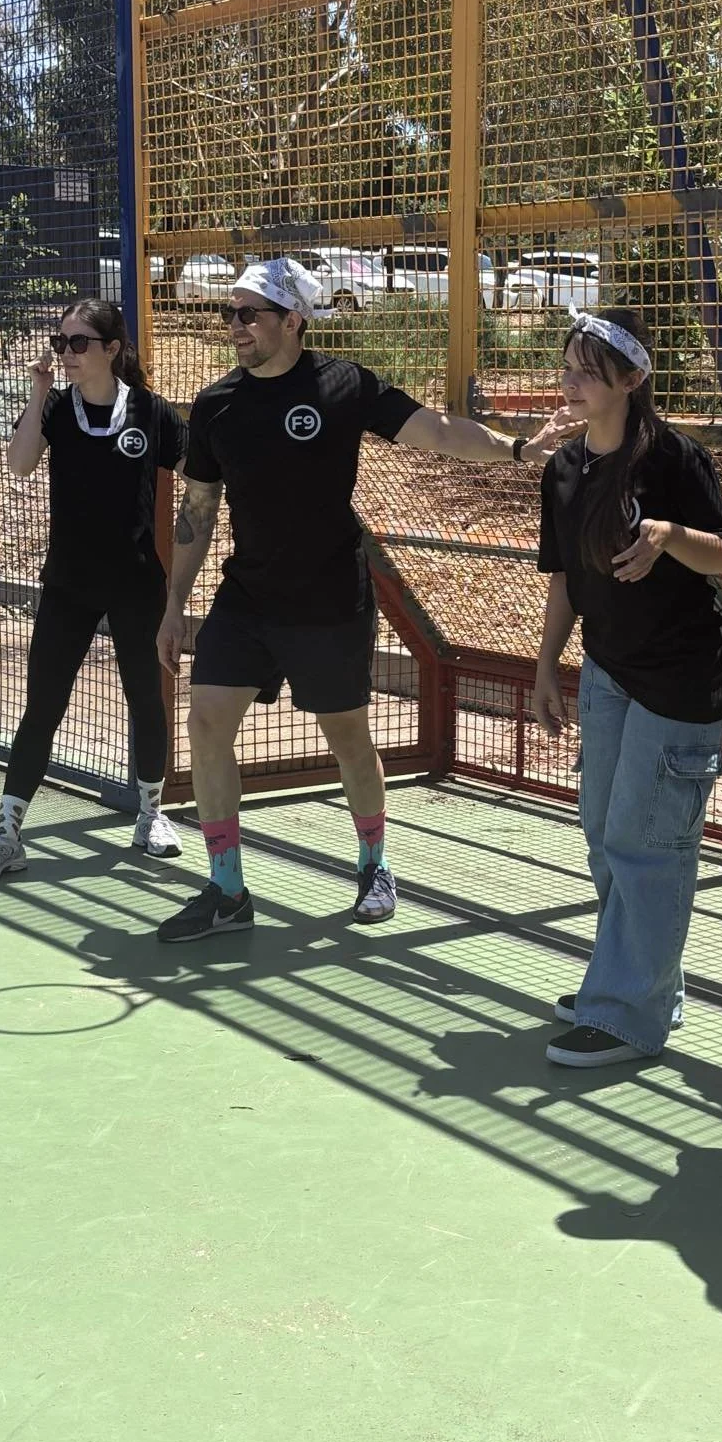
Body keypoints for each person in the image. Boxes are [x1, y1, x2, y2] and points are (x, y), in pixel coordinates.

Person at [154, 255, 575, 942]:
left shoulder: (343, 384)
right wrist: (175, 601)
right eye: (229, 313)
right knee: (205, 724)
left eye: (248, 314)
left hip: (329, 599)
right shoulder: (216, 406)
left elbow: (439, 431)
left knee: (348, 738)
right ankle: (227, 891)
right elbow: (197, 512)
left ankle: (375, 864)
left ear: (292, 321)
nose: (234, 326)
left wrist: (522, 451)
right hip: (247, 599)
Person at [532, 308, 722, 1067]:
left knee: (645, 845)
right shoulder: (564, 468)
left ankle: (626, 1014)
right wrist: (546, 664)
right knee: (603, 835)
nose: (572, 381)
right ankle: (644, 983)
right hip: (606, 672)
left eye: (588, 370)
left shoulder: (674, 459)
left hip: (677, 683)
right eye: (568, 367)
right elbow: (564, 578)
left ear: (632, 379)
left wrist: (668, 538)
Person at [0, 297, 188, 881]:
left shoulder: (151, 412)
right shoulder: (57, 407)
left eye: (79, 342)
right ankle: (8, 834)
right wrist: (37, 392)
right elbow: (18, 464)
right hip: (69, 582)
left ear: (112, 349)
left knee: (146, 696)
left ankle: (151, 815)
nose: (65, 352)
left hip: (137, 583)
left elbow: (199, 468)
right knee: (44, 704)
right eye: (61, 341)